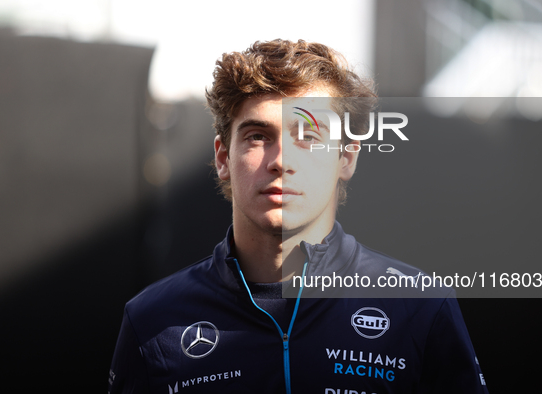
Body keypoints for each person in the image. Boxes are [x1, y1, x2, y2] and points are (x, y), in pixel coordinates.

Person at [108, 39, 488, 394]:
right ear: (223, 158)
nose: (281, 162)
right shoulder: (152, 320)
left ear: (346, 157)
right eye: (258, 136)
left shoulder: (419, 305)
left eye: (308, 136)